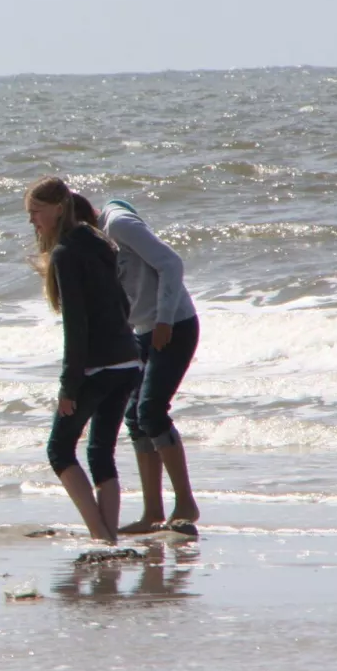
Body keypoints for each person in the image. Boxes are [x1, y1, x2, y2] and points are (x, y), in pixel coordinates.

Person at [25, 177, 141, 543]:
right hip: (127, 361)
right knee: (100, 451)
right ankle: (108, 540)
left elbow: (76, 328)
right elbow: (124, 305)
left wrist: (68, 387)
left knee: (59, 450)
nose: (32, 221)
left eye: (36, 212)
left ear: (58, 208)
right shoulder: (98, 241)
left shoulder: (65, 253)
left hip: (98, 367)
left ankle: (99, 534)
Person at [97, 198, 202, 534]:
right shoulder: (93, 242)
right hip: (142, 331)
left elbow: (171, 263)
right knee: (135, 418)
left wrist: (165, 321)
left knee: (152, 411)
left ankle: (185, 504)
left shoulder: (117, 224)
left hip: (174, 324)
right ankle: (152, 513)